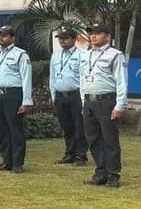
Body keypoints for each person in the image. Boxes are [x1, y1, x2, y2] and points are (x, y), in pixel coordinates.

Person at [80, 23, 126, 188]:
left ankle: (113, 174)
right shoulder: (85, 55)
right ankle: (101, 172)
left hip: (106, 101)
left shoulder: (115, 55)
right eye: (91, 33)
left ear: (107, 36)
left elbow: (121, 81)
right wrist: (83, 102)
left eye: (98, 33)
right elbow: (82, 80)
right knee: (93, 139)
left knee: (109, 139)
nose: (93, 36)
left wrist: (120, 105)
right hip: (89, 101)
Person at [0, 25, 32, 173]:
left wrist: (26, 101)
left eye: (5, 35)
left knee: (15, 129)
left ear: (12, 38)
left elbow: (26, 78)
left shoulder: (20, 54)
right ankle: (6, 160)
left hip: (12, 94)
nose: (1, 38)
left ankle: (17, 163)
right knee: (1, 129)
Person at [49, 28, 87, 166]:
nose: (62, 41)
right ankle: (69, 153)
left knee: (79, 127)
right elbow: (52, 77)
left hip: (75, 95)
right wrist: (53, 96)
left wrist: (83, 99)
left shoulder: (82, 55)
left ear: (74, 39)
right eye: (60, 38)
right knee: (66, 127)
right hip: (60, 95)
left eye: (65, 38)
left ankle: (81, 155)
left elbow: (84, 77)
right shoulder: (56, 56)